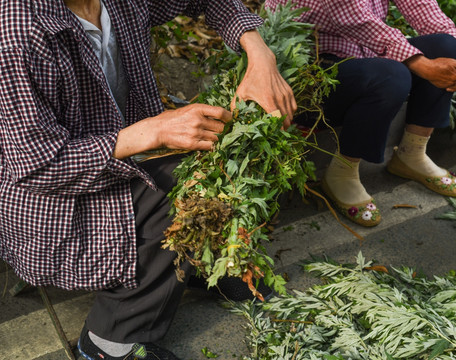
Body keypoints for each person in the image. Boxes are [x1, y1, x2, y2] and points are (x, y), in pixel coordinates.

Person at [0, 1, 296, 359]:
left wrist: (260, 54)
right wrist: (155, 130)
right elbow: (37, 166)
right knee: (184, 184)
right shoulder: (18, 27)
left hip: (126, 152)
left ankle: (199, 262)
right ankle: (111, 336)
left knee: (227, 151)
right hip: (55, 200)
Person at [265, 0, 456, 227]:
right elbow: (357, 21)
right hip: (310, 74)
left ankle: (412, 154)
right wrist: (423, 65)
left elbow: (418, 4)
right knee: (391, 76)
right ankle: (342, 173)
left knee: (447, 47)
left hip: (365, 58)